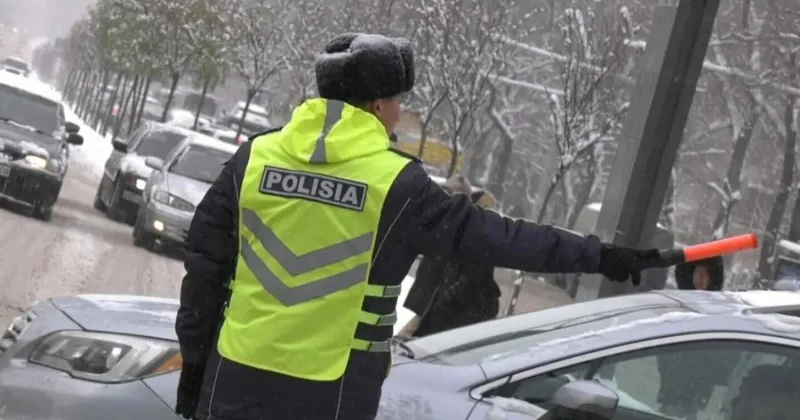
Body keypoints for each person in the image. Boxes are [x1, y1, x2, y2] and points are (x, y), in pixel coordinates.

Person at [174, 32, 666, 420]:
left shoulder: (253, 159)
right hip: (331, 396)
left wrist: (196, 365)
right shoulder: (396, 184)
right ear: (375, 106)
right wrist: (599, 255)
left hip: (234, 378)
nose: (399, 112)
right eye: (396, 101)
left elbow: (204, 269)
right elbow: (502, 239)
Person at [397, 175, 502, 339]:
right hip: (437, 305)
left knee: (411, 341)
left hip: (451, 312)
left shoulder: (475, 237)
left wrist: (444, 301)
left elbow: (471, 279)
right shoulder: (453, 224)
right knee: (411, 340)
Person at [656, 256, 726, 418]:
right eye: (698, 272)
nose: (701, 278)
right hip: (671, 396)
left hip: (692, 400)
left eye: (706, 274)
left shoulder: (716, 315)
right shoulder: (677, 309)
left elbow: (718, 363)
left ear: (712, 277)